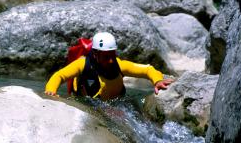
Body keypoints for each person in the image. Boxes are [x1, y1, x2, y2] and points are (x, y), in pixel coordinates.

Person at [44, 32, 173, 100]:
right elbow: (59, 75)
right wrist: (51, 91)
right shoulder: (82, 64)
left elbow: (147, 70)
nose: (111, 60)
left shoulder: (119, 65)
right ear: (95, 54)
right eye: (106, 56)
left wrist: (158, 81)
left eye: (112, 55)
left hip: (114, 104)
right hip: (88, 103)